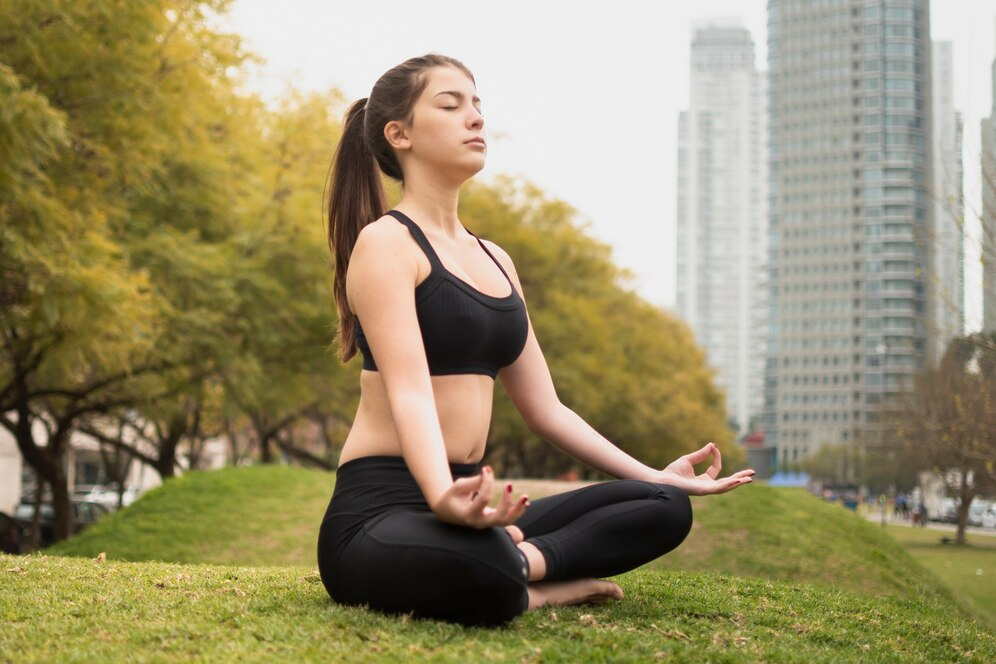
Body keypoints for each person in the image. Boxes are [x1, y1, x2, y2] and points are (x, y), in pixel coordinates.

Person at [317, 53, 755, 626]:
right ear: (399, 134)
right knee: (487, 562)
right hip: (379, 514)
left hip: (465, 503)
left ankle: (517, 564)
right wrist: (442, 496)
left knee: (663, 507)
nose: (474, 118)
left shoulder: (496, 259)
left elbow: (546, 409)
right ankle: (530, 580)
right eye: (450, 105)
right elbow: (411, 392)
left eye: (478, 105)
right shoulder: (386, 244)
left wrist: (653, 473)